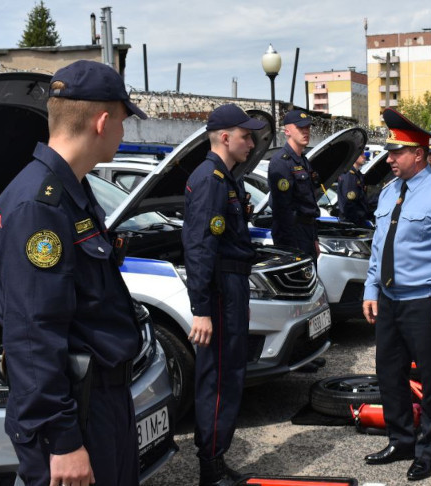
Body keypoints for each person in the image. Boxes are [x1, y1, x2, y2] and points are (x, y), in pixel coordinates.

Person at [0, 60, 148, 486]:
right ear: (102, 121)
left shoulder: (72, 192)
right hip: (77, 413)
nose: (124, 133)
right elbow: (32, 333)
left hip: (100, 400)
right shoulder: (39, 207)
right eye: (123, 121)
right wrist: (63, 441)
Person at [362, 109, 431, 481]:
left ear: (419, 154)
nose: (388, 159)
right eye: (389, 152)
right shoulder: (389, 193)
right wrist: (370, 288)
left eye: (396, 153)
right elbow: (379, 248)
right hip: (390, 299)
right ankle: (401, 440)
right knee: (389, 375)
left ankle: (428, 451)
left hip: (425, 301)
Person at [182, 104, 266, 486]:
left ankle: (216, 459)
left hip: (230, 286)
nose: (252, 142)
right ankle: (210, 470)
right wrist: (201, 309)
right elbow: (200, 247)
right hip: (219, 291)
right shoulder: (212, 180)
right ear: (226, 137)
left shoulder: (225, 177)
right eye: (246, 136)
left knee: (230, 373)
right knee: (218, 378)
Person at [268, 109, 320, 258]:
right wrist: (289, 247)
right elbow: (282, 209)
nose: (306, 131)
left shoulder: (304, 161)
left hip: (307, 232)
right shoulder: (281, 162)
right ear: (287, 131)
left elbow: (310, 203)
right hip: (292, 235)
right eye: (300, 128)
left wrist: (314, 238)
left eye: (308, 127)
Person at [337, 148, 371, 226]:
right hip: (351, 222)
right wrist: (355, 222)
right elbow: (349, 203)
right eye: (361, 154)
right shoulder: (350, 176)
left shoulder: (357, 175)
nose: (364, 156)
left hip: (358, 220)